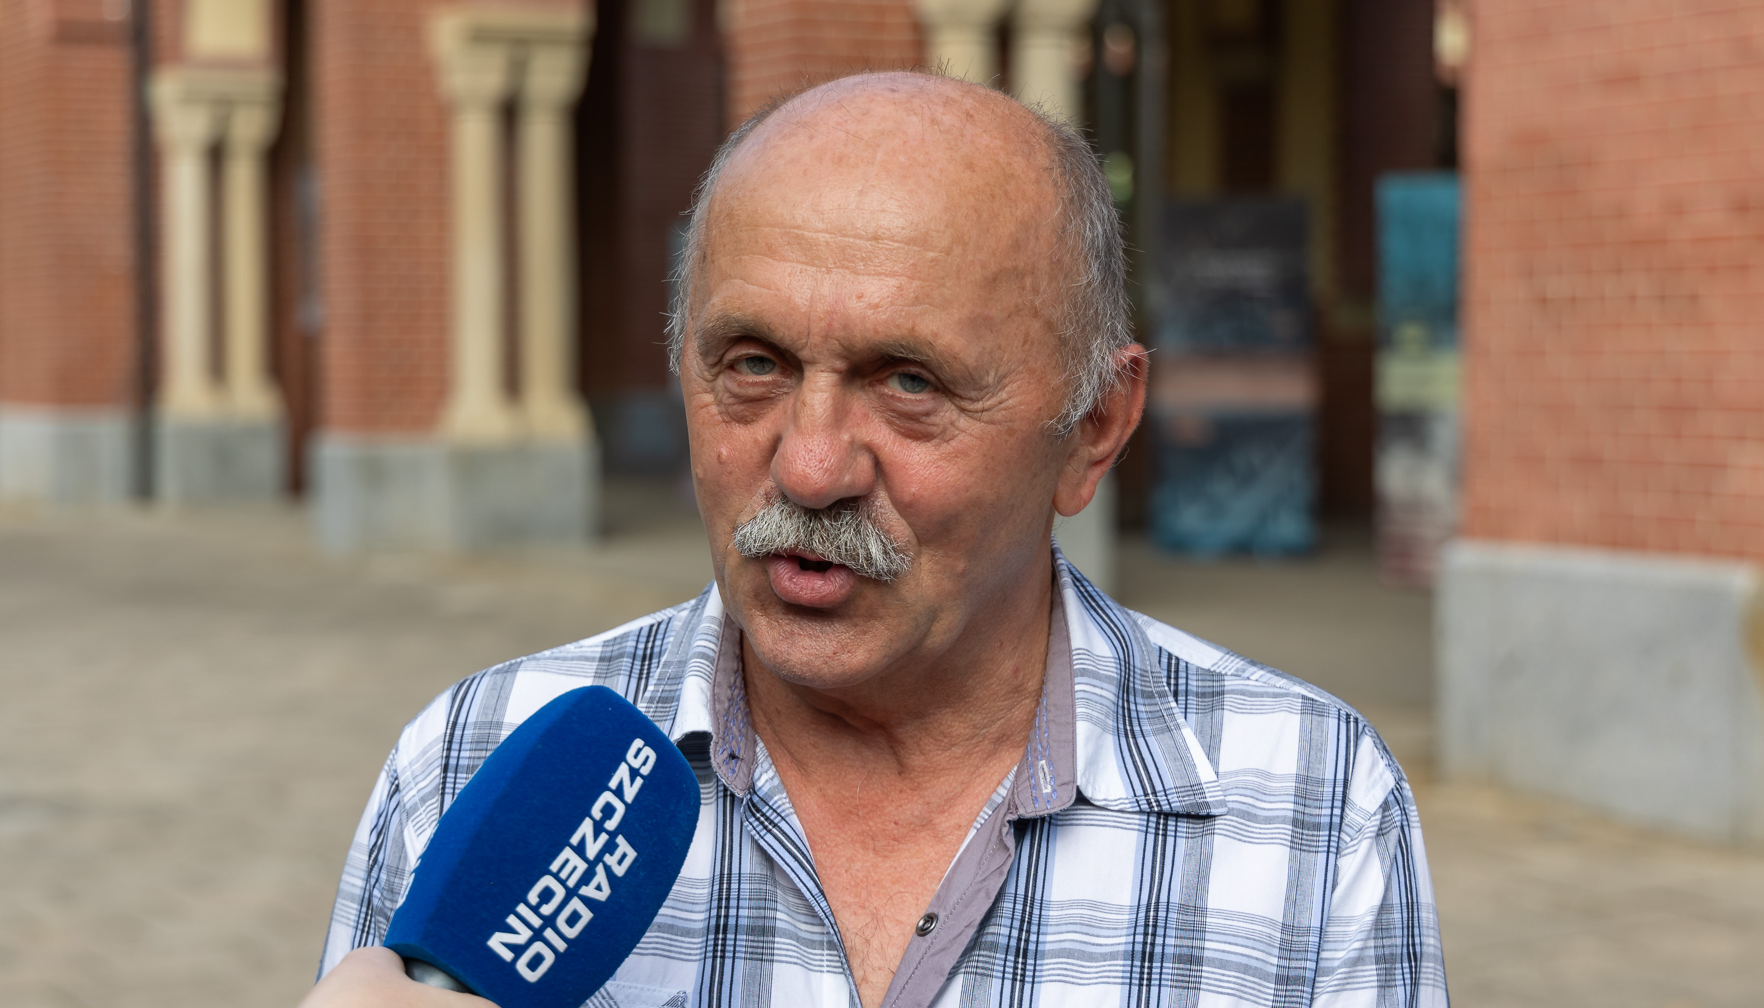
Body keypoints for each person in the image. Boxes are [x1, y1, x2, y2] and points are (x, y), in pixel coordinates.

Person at [304, 72, 1448, 1008]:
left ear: (1095, 426)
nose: (810, 468)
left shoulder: (1309, 810)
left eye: (910, 383)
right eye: (753, 364)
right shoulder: (473, 768)